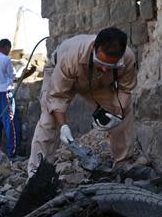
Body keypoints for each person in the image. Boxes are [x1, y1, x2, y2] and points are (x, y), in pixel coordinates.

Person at [28, 27, 138, 177]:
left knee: (124, 113)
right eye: (102, 63)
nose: (106, 69)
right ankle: (37, 173)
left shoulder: (127, 58)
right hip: (62, 72)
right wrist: (64, 126)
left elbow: (125, 90)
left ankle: (123, 163)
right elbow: (57, 97)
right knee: (49, 120)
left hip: (98, 82)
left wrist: (117, 114)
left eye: (111, 66)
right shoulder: (71, 57)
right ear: (93, 48)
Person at [0, 39, 21, 158]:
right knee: (10, 124)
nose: (9, 51)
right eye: (9, 49)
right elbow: (13, 76)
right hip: (4, 94)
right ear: (6, 47)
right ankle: (12, 154)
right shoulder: (6, 59)